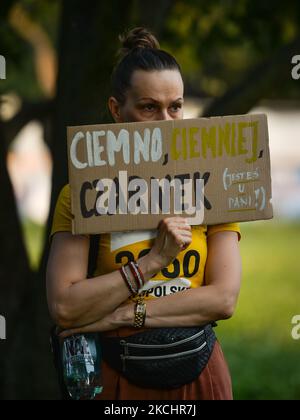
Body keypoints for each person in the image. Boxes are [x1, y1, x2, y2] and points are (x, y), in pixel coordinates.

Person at [46, 27, 242, 400]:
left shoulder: (212, 187)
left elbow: (223, 299)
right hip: (115, 376)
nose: (167, 122)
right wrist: (154, 261)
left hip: (197, 371)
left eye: (176, 106)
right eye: (150, 107)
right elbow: (66, 307)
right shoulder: (83, 194)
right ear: (117, 109)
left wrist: (122, 314)